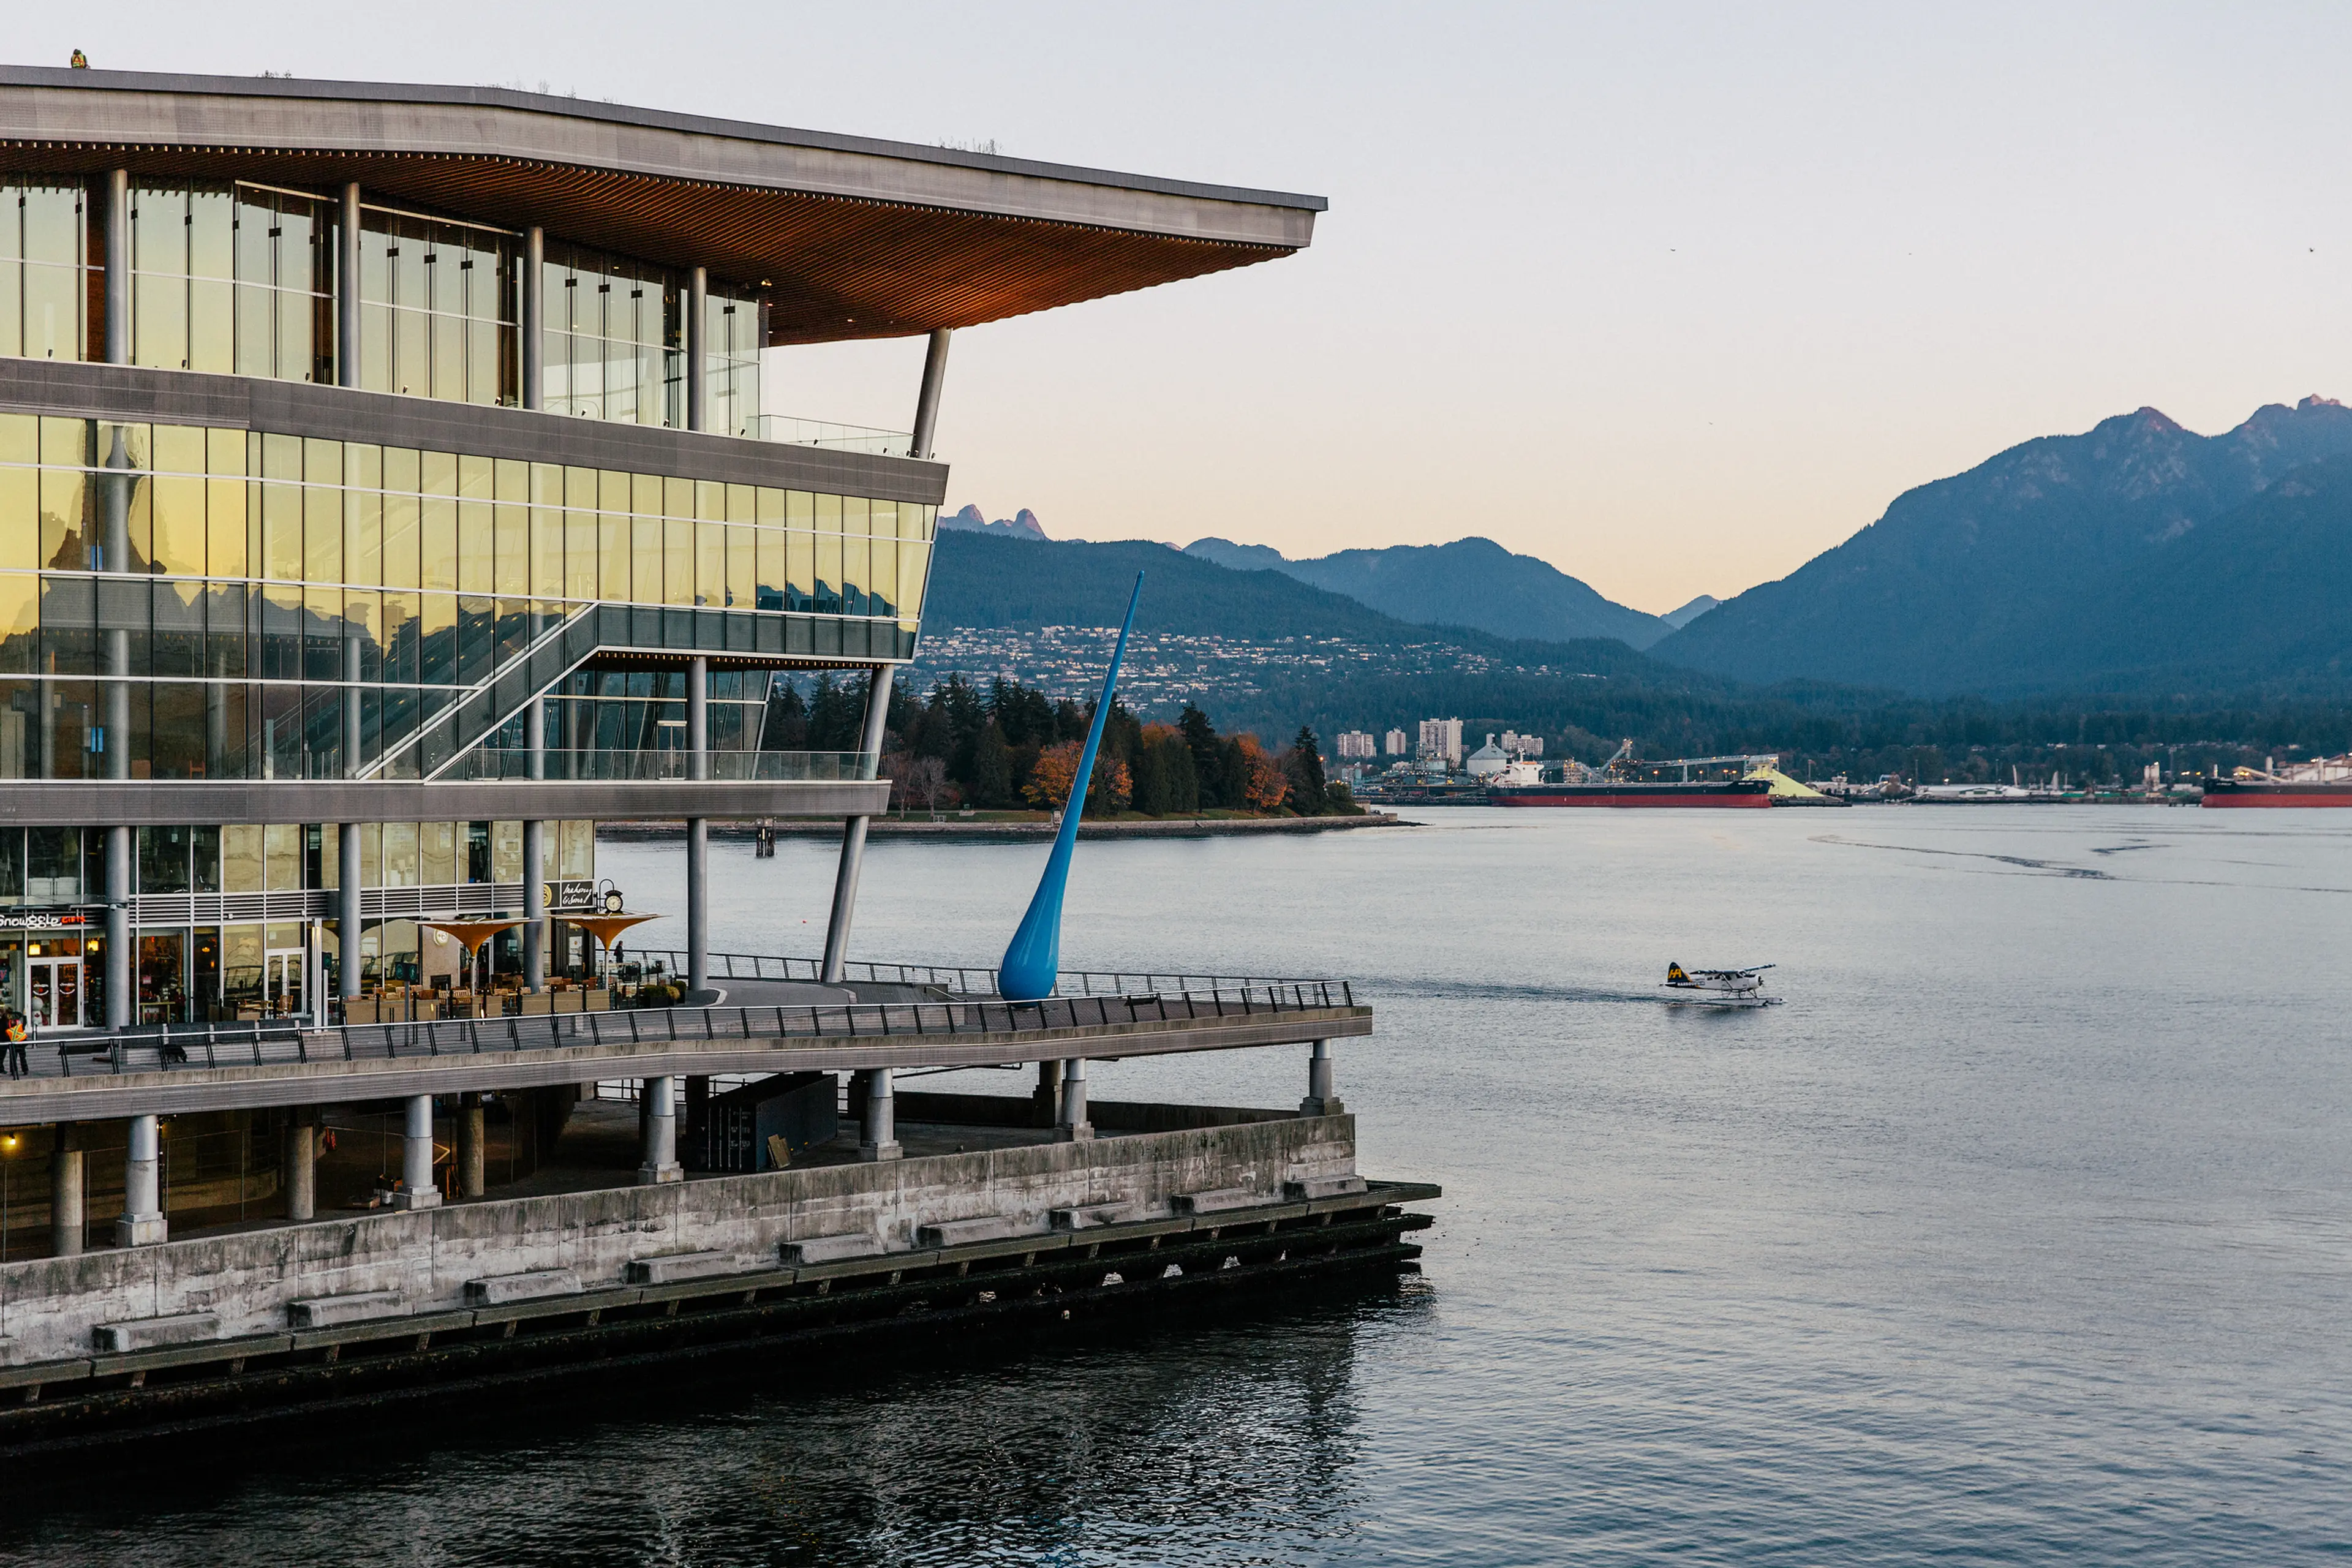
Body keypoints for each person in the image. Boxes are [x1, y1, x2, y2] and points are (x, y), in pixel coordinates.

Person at [3, 1010, 29, 1079]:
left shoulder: (9, 1026)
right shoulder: (19, 1026)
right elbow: (24, 1024)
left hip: (14, 1043)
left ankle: (14, 1070)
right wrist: (24, 1016)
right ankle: (24, 1070)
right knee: (21, 1057)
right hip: (20, 1042)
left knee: (14, 1058)